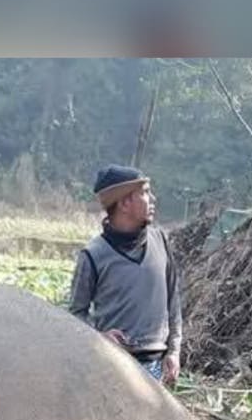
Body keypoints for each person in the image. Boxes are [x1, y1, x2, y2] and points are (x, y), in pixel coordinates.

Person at [68, 165, 182, 385]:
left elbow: (173, 301)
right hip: (113, 367)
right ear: (124, 203)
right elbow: (75, 314)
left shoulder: (161, 242)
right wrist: (99, 337)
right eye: (145, 192)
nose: (153, 199)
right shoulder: (93, 255)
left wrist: (174, 351)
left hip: (157, 367)